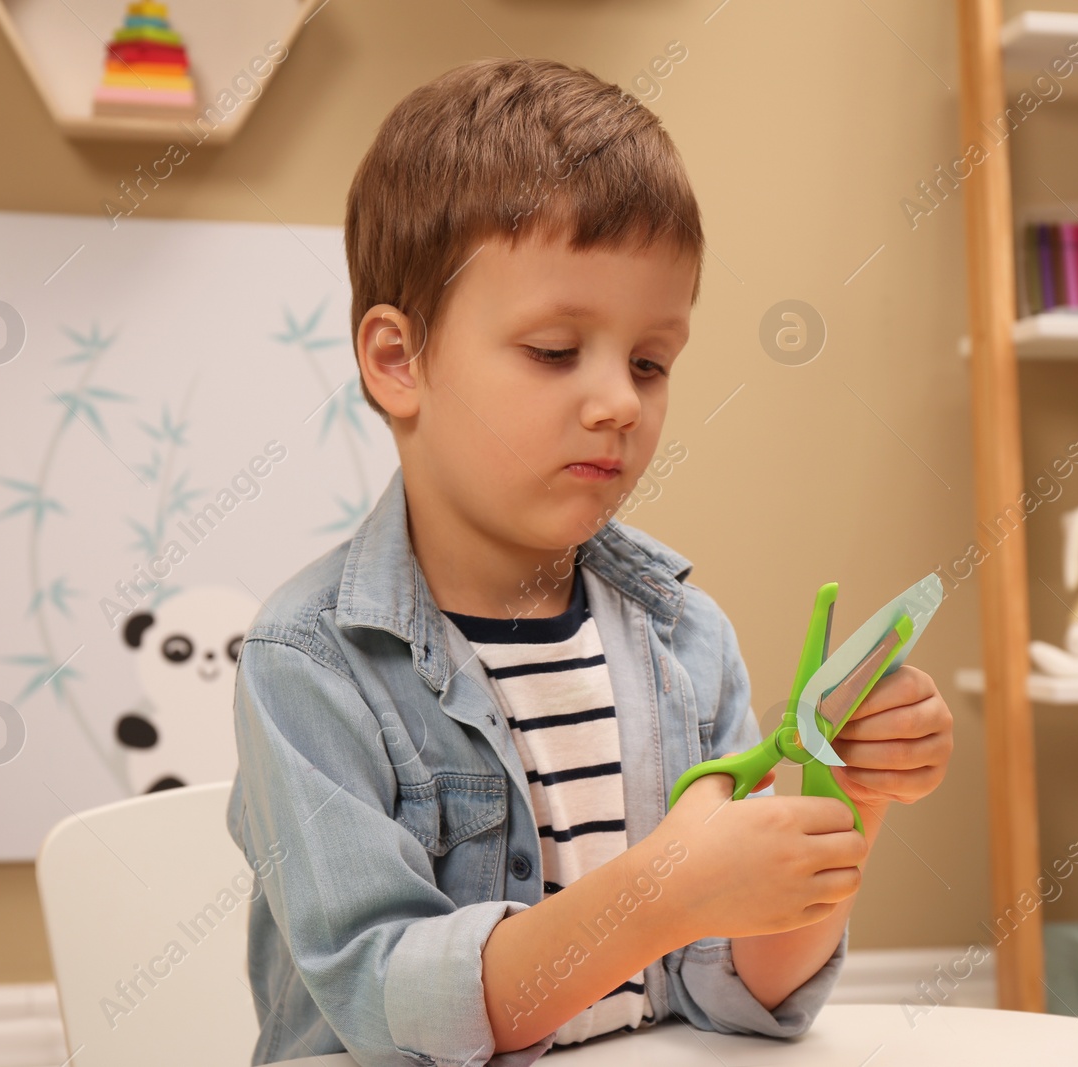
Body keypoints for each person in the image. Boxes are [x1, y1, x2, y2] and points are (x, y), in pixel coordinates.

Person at [226, 56, 954, 1067]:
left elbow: (741, 990)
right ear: (399, 361)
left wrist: (847, 801)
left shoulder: (683, 638)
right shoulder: (306, 662)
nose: (619, 400)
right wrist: (666, 887)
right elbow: (393, 1008)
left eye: (650, 362)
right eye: (556, 350)